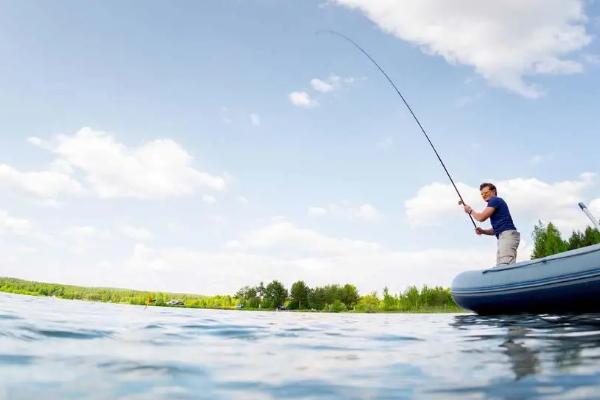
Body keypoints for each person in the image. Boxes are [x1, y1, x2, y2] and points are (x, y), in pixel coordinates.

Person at [460, 183, 520, 266]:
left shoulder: (495, 200)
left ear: (493, 191)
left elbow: (481, 217)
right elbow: (496, 229)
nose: (484, 195)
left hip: (507, 236)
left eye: (486, 192)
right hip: (503, 236)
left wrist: (470, 211)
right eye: (482, 194)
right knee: (501, 267)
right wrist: (483, 231)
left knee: (505, 265)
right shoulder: (495, 203)